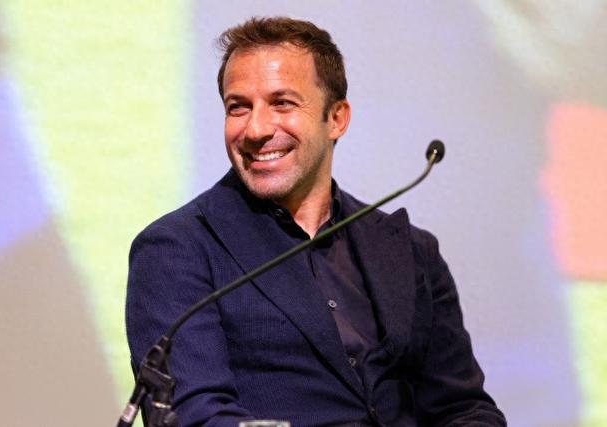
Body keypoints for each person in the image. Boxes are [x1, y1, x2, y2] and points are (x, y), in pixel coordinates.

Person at [126, 16, 506, 427]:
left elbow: (464, 409)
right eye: (238, 107)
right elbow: (194, 414)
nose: (255, 129)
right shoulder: (176, 249)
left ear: (337, 118)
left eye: (282, 103)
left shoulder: (410, 251)